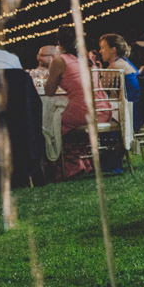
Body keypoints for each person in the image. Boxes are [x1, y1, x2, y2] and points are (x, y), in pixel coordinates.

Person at [44, 26, 112, 178]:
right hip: (103, 110)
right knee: (63, 119)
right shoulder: (89, 61)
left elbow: (49, 91)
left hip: (85, 112)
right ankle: (84, 163)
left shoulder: (59, 61)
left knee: (50, 122)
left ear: (59, 43)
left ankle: (67, 166)